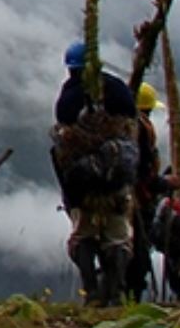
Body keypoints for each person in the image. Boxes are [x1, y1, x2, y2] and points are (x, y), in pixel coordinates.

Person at [53, 42, 139, 306]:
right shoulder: (118, 91)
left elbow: (62, 144)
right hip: (117, 181)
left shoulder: (68, 99)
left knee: (82, 234)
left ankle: (91, 290)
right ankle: (116, 290)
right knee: (119, 236)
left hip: (82, 186)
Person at [127, 83, 165, 301]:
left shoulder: (118, 126)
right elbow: (144, 172)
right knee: (139, 251)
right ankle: (132, 293)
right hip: (138, 199)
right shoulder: (141, 131)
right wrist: (163, 184)